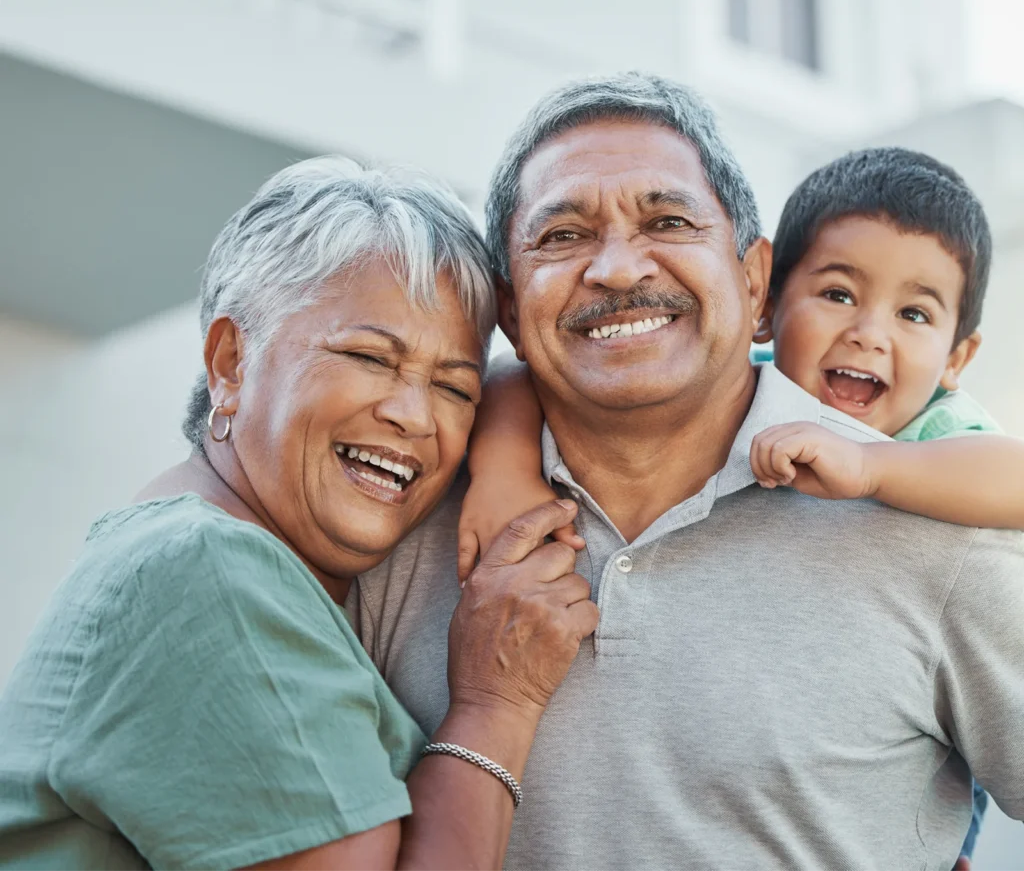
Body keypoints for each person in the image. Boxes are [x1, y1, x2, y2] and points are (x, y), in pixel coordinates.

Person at [353, 74, 1024, 870]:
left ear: (753, 279)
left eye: (668, 221)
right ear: (508, 310)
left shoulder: (933, 523)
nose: (617, 269)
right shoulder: (397, 525)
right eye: (562, 235)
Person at [0, 157, 598, 871]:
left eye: (453, 388)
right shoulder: (207, 570)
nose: (414, 416)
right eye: (369, 357)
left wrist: (507, 452)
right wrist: (496, 704)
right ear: (230, 363)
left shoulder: (196, 550)